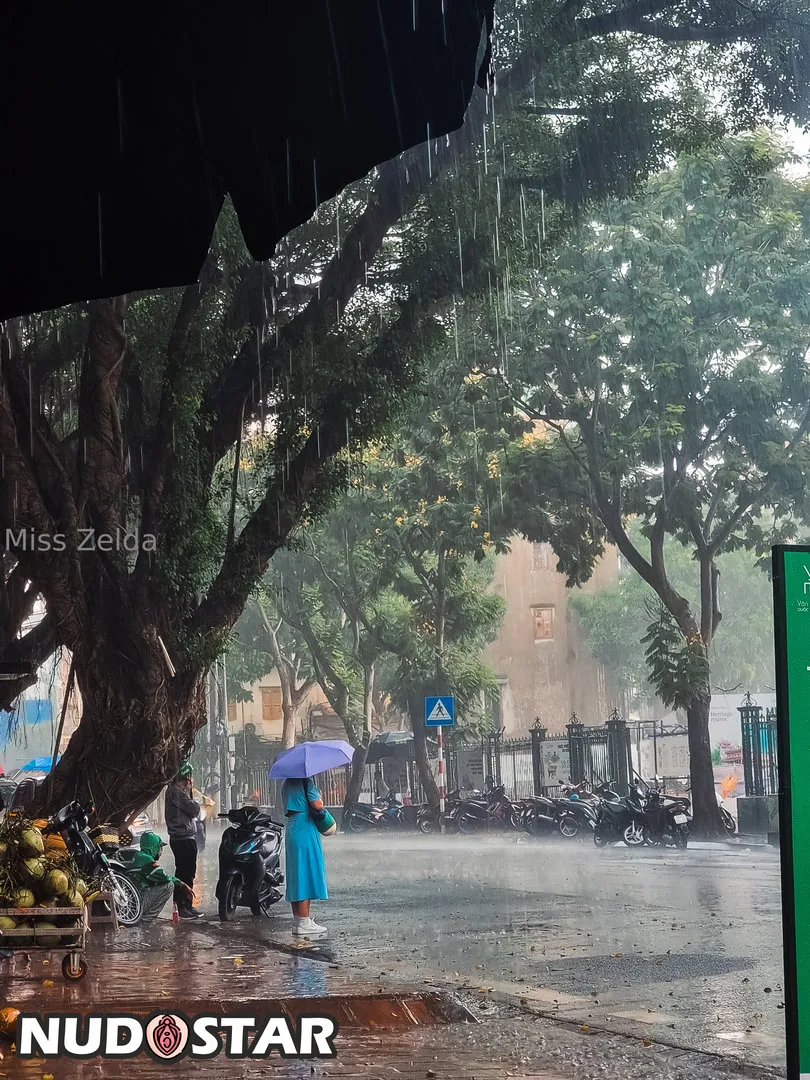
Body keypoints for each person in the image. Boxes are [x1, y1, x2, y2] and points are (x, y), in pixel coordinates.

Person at [281, 776, 328, 938]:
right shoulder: (306, 782)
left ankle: (298, 920)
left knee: (296, 874)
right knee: (305, 873)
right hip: (305, 826)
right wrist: (319, 797)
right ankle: (304, 921)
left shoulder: (286, 783)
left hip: (292, 827)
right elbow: (317, 805)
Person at [123, 832, 193, 921]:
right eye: (160, 848)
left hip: (130, 902)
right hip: (137, 902)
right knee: (169, 885)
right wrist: (182, 884)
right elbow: (164, 877)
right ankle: (147, 918)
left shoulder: (138, 856)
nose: (161, 851)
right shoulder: (146, 860)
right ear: (154, 847)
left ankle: (142, 916)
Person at [165, 763, 202, 919]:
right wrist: (196, 801)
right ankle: (182, 906)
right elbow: (194, 810)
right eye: (190, 777)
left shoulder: (176, 792)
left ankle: (187, 905)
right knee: (185, 874)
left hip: (184, 838)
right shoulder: (176, 792)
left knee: (187, 872)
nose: (192, 780)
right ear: (186, 777)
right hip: (182, 839)